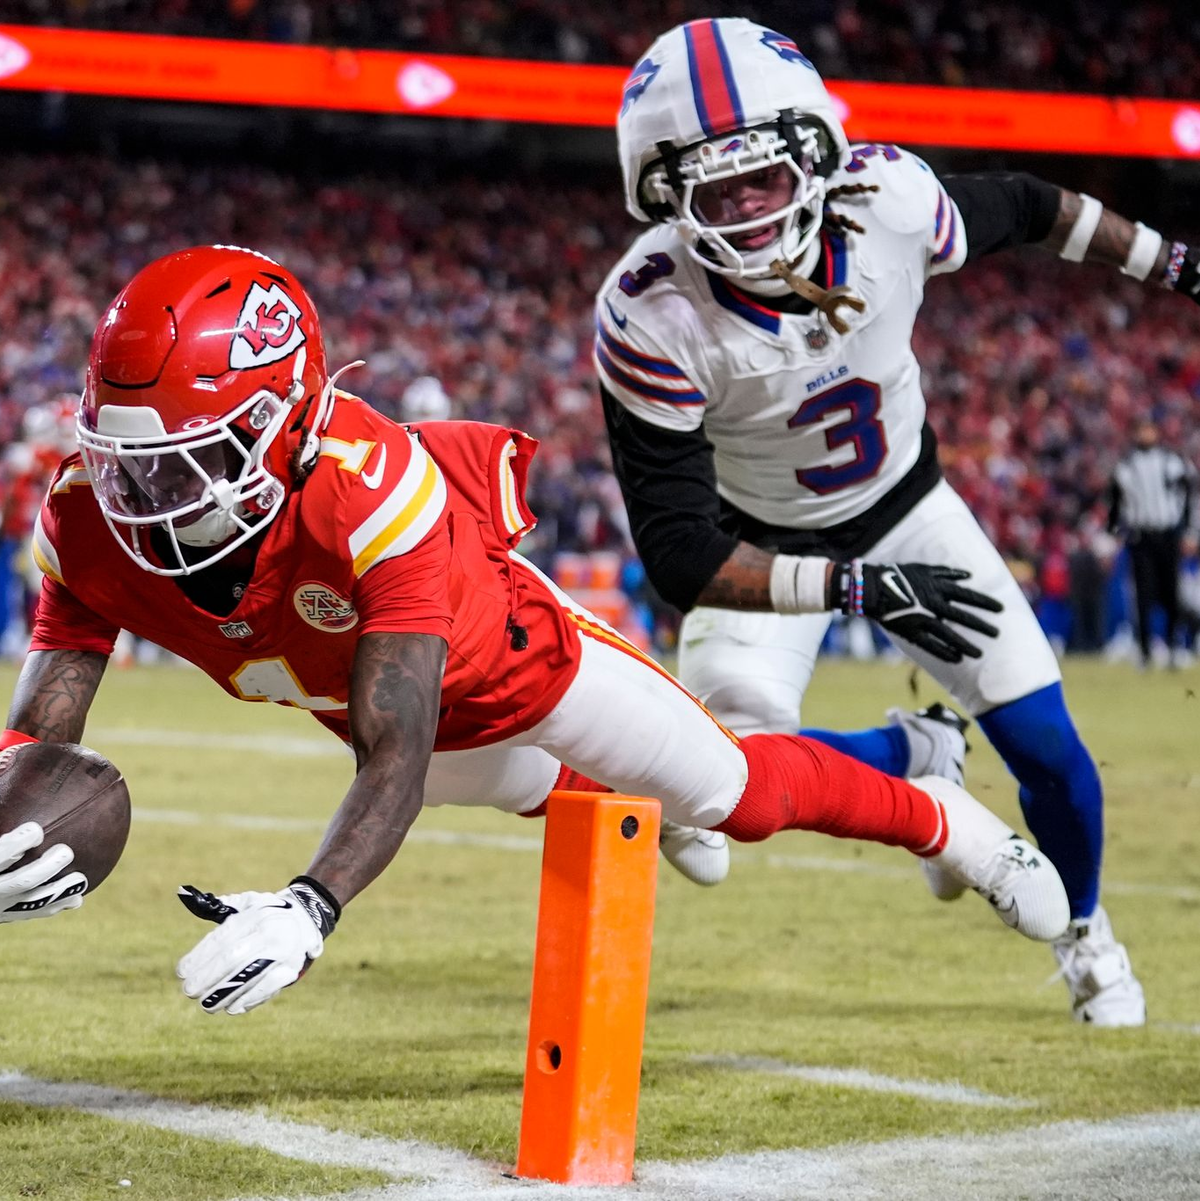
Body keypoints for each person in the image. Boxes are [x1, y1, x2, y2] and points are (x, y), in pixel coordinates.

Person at [0, 245, 1070, 1016]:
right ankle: (758, 787)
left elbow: (397, 751)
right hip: (395, 726)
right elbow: (39, 727)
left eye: (193, 459)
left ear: (288, 427)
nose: (147, 494)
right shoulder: (86, 516)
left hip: (521, 673)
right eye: (130, 457)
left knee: (738, 800)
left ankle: (939, 816)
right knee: (586, 802)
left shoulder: (368, 492)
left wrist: (309, 905)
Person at [595, 17, 1200, 1025]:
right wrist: (851, 589)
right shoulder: (649, 312)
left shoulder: (891, 203)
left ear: (818, 157)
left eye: (766, 178)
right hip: (762, 538)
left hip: (911, 510)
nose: (746, 212)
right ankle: (914, 756)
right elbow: (677, 552)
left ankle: (1087, 931)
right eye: (716, 188)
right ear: (666, 196)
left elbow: (1033, 207)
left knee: (1052, 750)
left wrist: (1172, 261)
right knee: (715, 793)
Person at [1108, 419, 1195, 668]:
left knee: (1171, 592)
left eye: (1149, 430)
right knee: (1143, 596)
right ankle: (1145, 650)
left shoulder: (1171, 461)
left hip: (1168, 534)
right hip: (1141, 536)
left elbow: (1186, 494)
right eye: (1141, 430)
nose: (1146, 435)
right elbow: (1115, 502)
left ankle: (1174, 646)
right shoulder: (1126, 465)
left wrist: (1188, 531)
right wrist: (1114, 531)